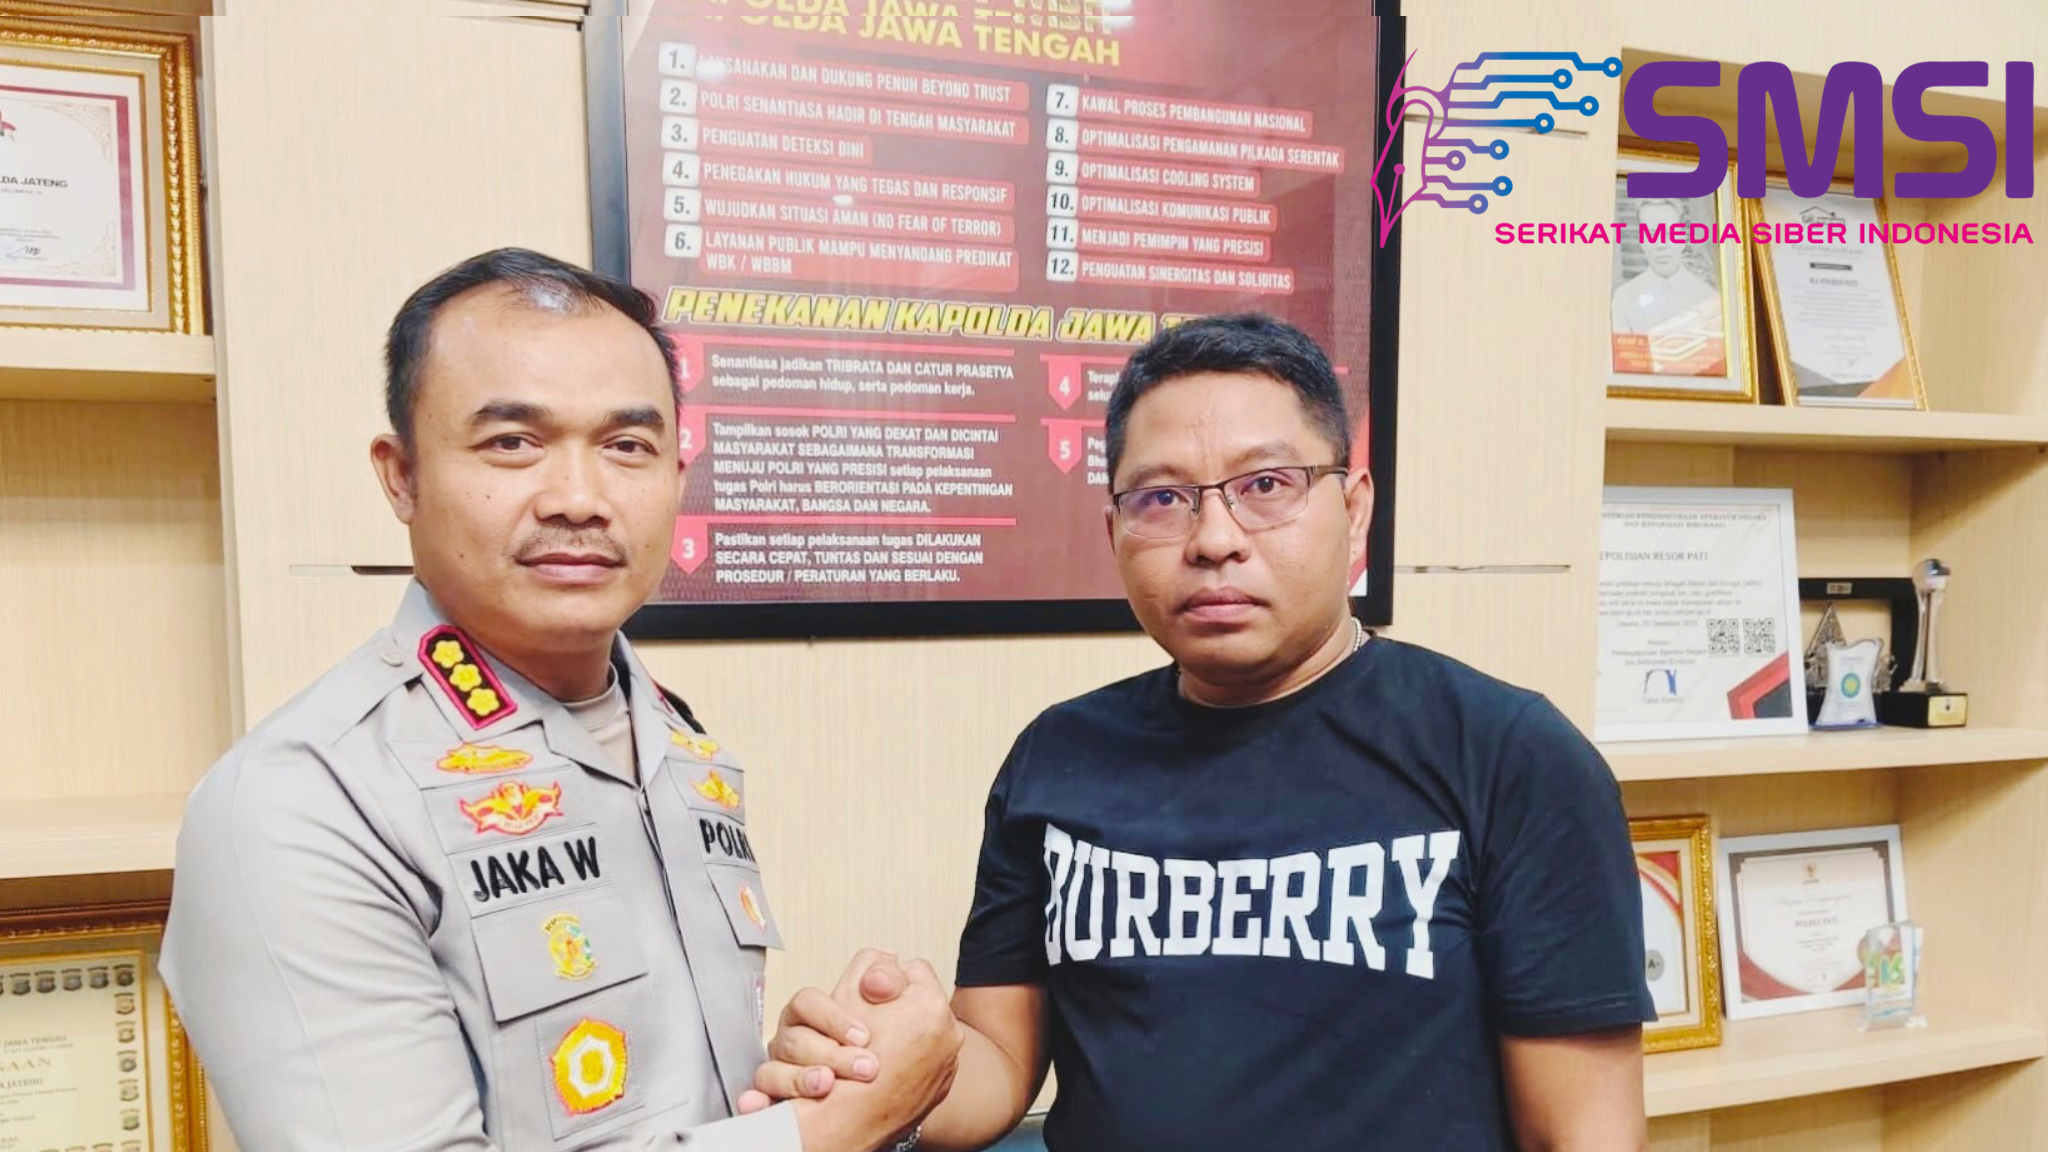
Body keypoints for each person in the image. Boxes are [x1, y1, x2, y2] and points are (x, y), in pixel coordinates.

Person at [741, 314, 1655, 1151]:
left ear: (1355, 509)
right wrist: (881, 1072)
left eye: (1267, 485)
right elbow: (1001, 1064)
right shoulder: (1058, 755)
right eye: (1161, 499)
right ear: (1114, 531)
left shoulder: (1509, 755)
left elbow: (1582, 1134)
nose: (1214, 538)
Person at [162, 248, 959, 1152]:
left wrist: (814, 1086)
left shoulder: (675, 739)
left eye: (627, 447)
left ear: (676, 476)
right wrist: (833, 1132)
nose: (580, 499)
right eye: (513, 442)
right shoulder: (301, 803)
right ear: (402, 475)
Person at [1611, 197, 1720, 338]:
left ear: (1683, 238)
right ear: (1642, 241)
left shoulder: (1708, 298)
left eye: (1669, 233)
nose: (1661, 244)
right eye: (1651, 234)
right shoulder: (1624, 299)